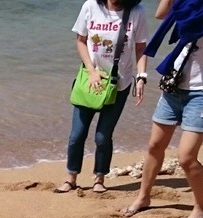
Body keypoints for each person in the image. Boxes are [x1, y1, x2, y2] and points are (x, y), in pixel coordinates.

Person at [122, 0, 203, 218]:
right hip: (176, 80)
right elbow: (162, 14)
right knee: (155, 146)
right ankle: (143, 197)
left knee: (186, 157)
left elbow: (202, 26)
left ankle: (202, 207)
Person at [56, 0, 149, 195]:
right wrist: (92, 71)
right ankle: (71, 178)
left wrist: (141, 76)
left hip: (119, 84)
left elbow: (141, 48)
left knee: (102, 136)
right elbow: (81, 40)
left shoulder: (136, 12)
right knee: (76, 135)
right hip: (90, 81)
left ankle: (99, 178)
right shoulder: (90, 6)